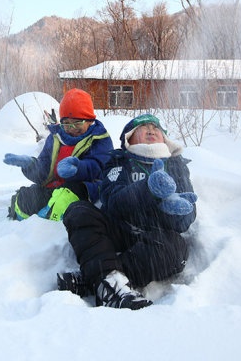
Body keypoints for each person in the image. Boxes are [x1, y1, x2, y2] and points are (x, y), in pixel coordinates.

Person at [58, 114, 197, 309]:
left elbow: (186, 218)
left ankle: (99, 278)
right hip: (119, 229)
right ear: (128, 138)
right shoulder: (119, 161)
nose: (151, 130)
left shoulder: (176, 165)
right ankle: (108, 281)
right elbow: (113, 201)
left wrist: (172, 211)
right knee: (78, 210)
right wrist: (148, 191)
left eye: (156, 128)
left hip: (155, 237)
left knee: (176, 249)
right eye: (143, 127)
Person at [3, 88, 113, 221]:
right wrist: (30, 165)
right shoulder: (55, 138)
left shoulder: (99, 139)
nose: (71, 128)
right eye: (66, 124)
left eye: (77, 123)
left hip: (84, 190)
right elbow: (44, 171)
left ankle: (50, 225)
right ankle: (30, 222)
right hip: (53, 188)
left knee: (65, 196)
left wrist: (77, 168)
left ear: (89, 120)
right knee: (25, 197)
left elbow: (99, 167)